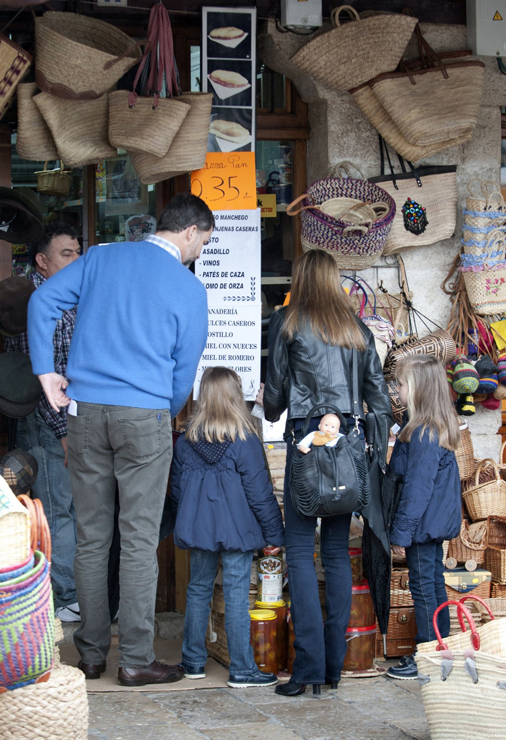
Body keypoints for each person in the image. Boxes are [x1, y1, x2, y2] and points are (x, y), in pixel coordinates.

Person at [27, 193, 214, 687]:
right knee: (137, 540)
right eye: (204, 243)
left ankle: (89, 655)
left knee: (91, 537)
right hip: (144, 415)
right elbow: (183, 372)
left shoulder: (102, 257)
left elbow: (43, 300)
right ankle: (134, 658)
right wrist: (163, 413)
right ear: (191, 232)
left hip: (84, 412)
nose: (200, 253)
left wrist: (48, 375)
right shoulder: (189, 289)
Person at [260, 249, 392, 696]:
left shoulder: (287, 321)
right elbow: (381, 400)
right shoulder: (356, 328)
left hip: (305, 446)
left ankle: (308, 670)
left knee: (299, 551)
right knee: (335, 554)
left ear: (300, 278)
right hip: (348, 449)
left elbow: (275, 399)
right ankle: (333, 668)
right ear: (335, 281)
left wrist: (271, 400)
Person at [171, 366, 284, 688]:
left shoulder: (185, 442)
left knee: (197, 591)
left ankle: (192, 662)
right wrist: (275, 535)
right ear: (236, 396)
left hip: (199, 530)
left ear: (203, 396)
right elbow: (260, 494)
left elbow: (177, 492)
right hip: (238, 530)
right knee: (236, 597)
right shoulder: (244, 441)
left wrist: (187, 521)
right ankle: (242, 670)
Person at [4, 223, 81, 622]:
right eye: (66, 253)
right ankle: (62, 596)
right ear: (42, 260)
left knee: (62, 507)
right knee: (56, 509)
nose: (75, 260)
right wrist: (65, 432)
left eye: (77, 252)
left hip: (60, 417)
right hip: (46, 419)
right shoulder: (34, 300)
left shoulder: (61, 295)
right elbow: (43, 374)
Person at [386, 355, 461, 680]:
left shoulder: (424, 434)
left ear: (417, 390)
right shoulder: (430, 428)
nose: (397, 390)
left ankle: (427, 654)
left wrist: (401, 534)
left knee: (423, 586)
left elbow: (417, 489)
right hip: (431, 523)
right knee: (432, 583)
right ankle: (440, 648)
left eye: (401, 385)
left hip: (421, 525)